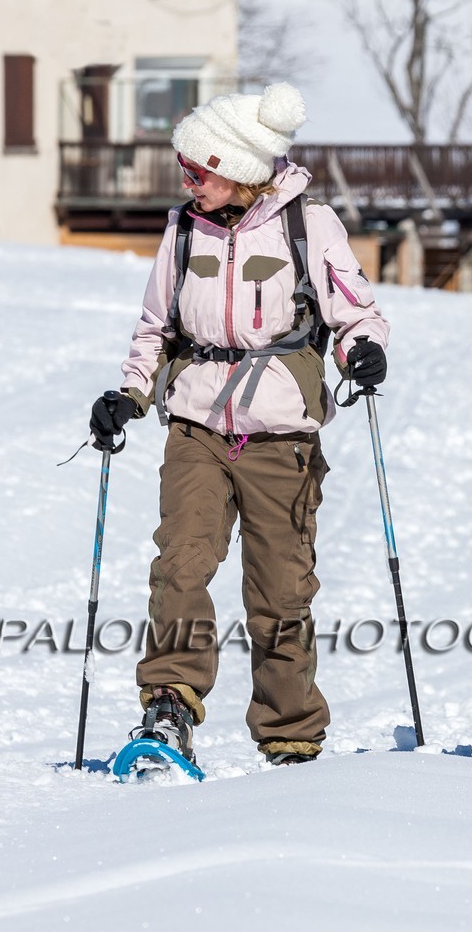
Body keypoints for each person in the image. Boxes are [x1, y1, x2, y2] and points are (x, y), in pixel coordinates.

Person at [89, 82, 390, 768]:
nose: (187, 180)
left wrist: (363, 350)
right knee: (180, 567)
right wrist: (129, 395)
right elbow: (155, 327)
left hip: (281, 435)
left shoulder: (307, 225)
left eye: (198, 168)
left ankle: (291, 733)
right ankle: (168, 707)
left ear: (237, 168)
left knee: (281, 589)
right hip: (195, 427)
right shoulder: (183, 230)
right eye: (184, 166)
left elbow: (356, 313)